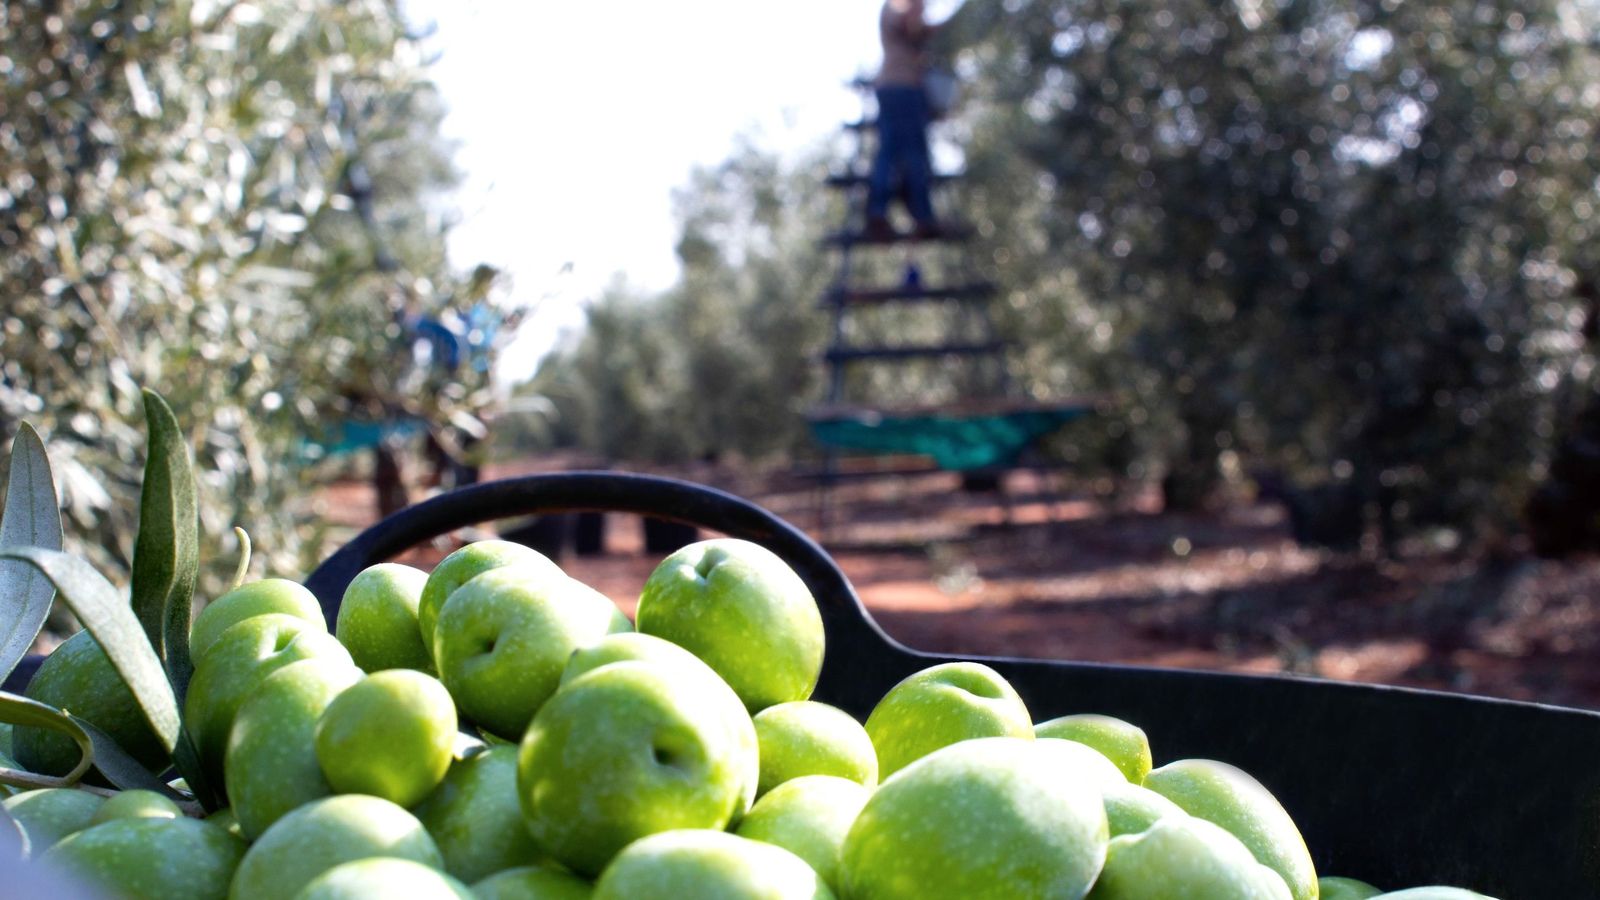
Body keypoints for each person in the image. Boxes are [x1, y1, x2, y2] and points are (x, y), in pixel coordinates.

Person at [866, 0, 941, 240]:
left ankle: (884, 213)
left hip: (897, 88)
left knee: (893, 151)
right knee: (911, 154)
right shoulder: (897, 6)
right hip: (902, 89)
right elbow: (911, 25)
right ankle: (920, 216)